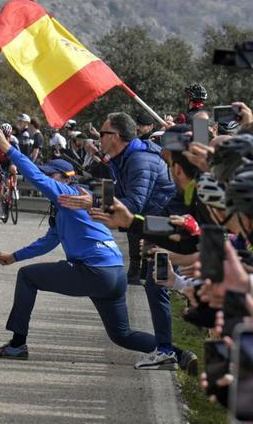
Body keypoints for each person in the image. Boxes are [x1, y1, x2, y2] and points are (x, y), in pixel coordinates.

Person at [0, 121, 158, 361]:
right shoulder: (71, 203)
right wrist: (14, 257)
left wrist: (7, 147)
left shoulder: (69, 194)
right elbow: (48, 242)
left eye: (51, 175)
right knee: (122, 335)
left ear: (63, 178)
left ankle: (17, 344)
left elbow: (33, 175)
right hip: (115, 272)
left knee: (27, 277)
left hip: (94, 271)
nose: (47, 178)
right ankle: (177, 354)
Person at [58, 112, 183, 370]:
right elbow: (118, 194)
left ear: (115, 136)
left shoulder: (139, 160)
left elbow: (133, 203)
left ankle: (167, 351)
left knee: (157, 285)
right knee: (156, 285)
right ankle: (166, 350)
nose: (98, 137)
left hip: (168, 227)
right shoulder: (122, 157)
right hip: (156, 226)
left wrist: (91, 201)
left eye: (102, 134)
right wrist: (93, 195)